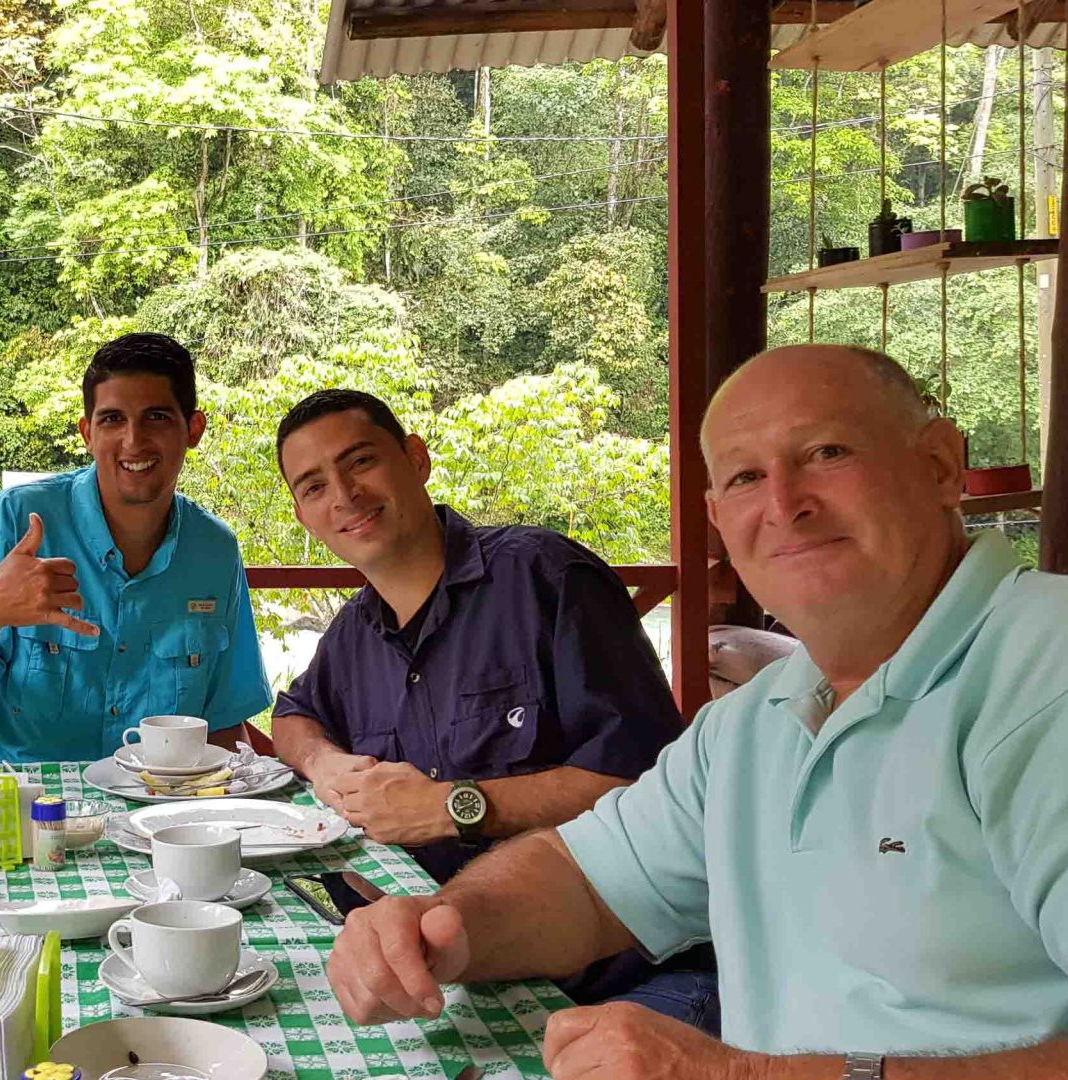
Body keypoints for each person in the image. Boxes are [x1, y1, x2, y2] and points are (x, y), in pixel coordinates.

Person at [325, 345, 1068, 1079]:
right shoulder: (755, 721)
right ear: (717, 516)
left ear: (940, 465)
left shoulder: (1042, 672)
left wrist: (738, 1075)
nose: (785, 505)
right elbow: (581, 880)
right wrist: (443, 926)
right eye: (746, 477)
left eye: (827, 452)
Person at [271, 388, 712, 1029]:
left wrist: (450, 805)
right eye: (313, 486)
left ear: (415, 459)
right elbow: (292, 717)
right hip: (456, 967)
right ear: (303, 514)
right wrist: (325, 764)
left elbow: (644, 788)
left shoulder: (545, 578)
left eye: (359, 462)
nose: (343, 495)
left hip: (624, 977)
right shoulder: (355, 634)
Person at [0, 332, 272, 765]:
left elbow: (224, 724)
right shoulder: (16, 523)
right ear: (87, 432)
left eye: (156, 417)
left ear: (193, 429)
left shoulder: (214, 551)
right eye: (112, 419)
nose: (133, 441)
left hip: (143, 810)